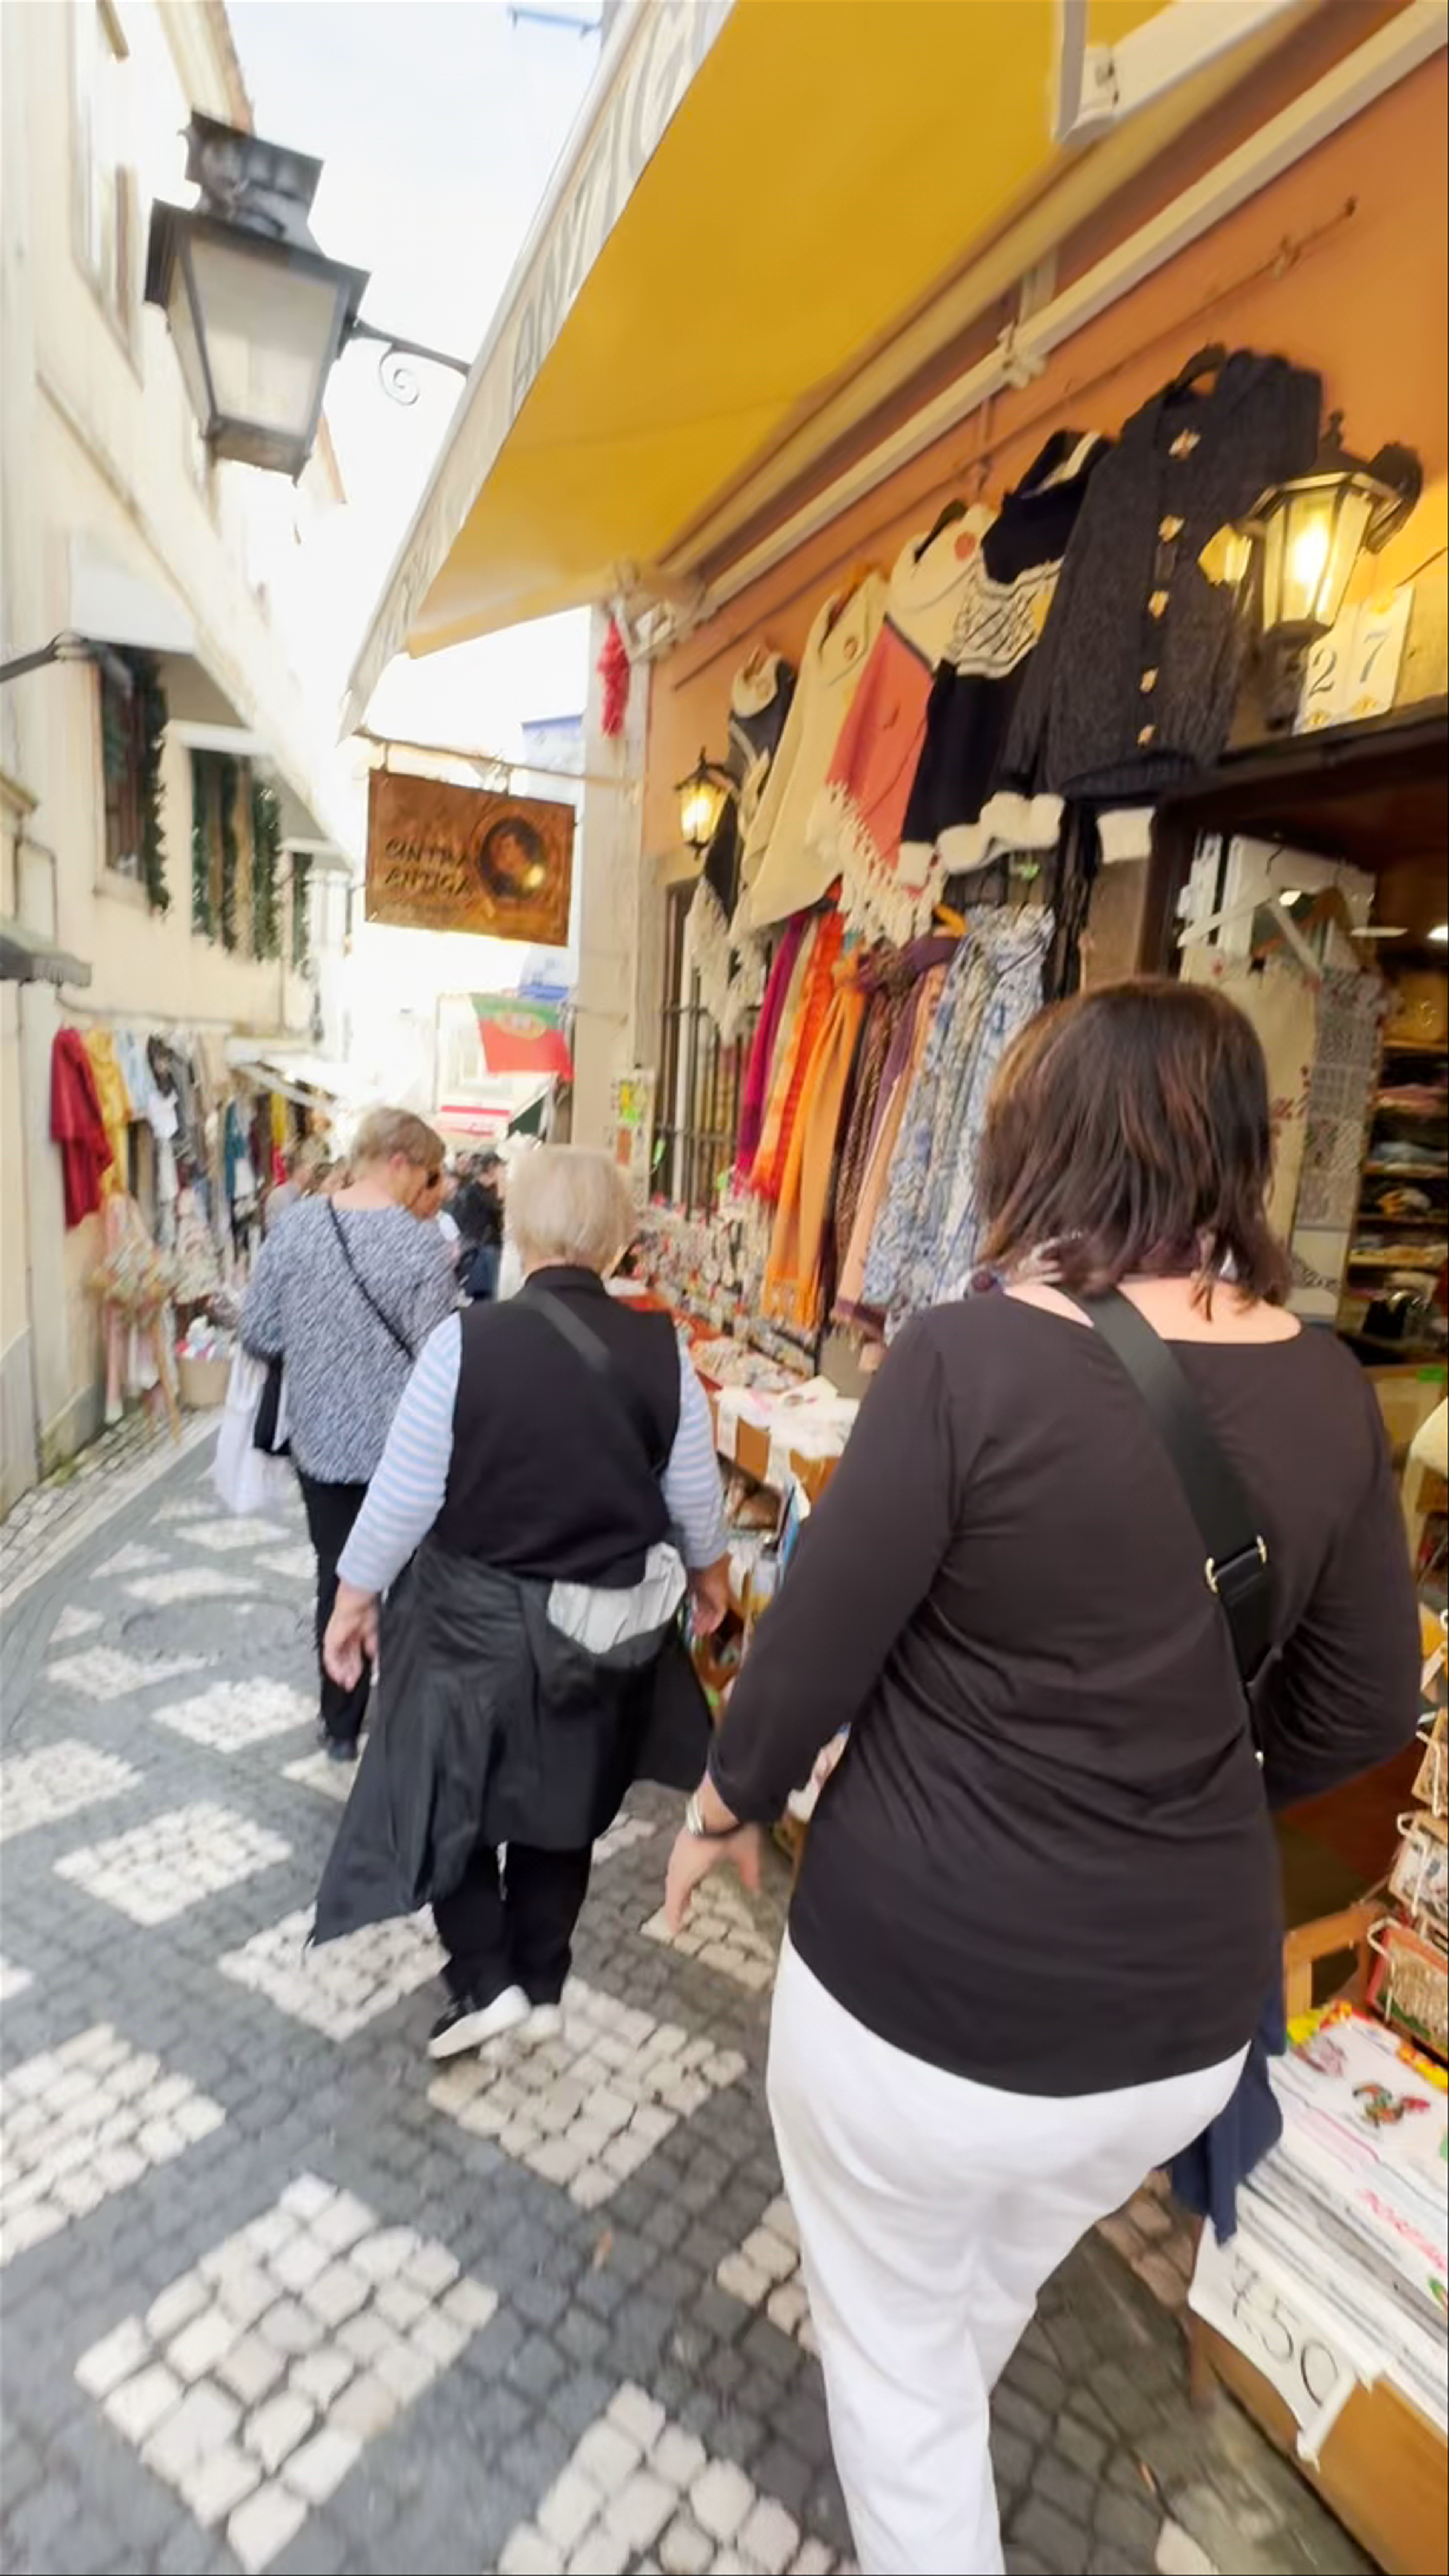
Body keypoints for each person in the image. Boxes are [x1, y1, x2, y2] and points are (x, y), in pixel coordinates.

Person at [663, 979, 1421, 2576]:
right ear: (1231, 1153)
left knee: (891, 2366)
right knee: (980, 2274)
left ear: (1041, 1152)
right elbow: (1359, 1718)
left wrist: (724, 1806)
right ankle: (944, 2384)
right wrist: (1164, 1778)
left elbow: (809, 1660)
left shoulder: (968, 1359)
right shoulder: (1332, 1391)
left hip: (914, 2001)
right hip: (1163, 2036)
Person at [313, 1146, 730, 2053]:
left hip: (470, 1628)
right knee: (562, 1805)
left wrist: (351, 1602)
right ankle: (537, 1980)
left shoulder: (467, 1342)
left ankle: (485, 1973)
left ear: (524, 1233)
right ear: (619, 1245)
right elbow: (694, 1498)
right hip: (597, 1634)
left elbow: (403, 1495)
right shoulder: (664, 1352)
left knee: (441, 1792)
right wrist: (710, 1584)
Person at [241, 1106, 457, 1761]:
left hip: (322, 1446)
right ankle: (404, 1727)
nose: (433, 1188)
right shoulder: (422, 1245)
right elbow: (440, 1355)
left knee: (337, 1575)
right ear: (397, 1162)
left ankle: (340, 1723)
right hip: (406, 1451)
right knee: (409, 1581)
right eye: (426, 1172)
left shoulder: (297, 1226)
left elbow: (259, 1332)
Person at [454, 1150, 506, 1300]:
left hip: (483, 1247)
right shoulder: (476, 1192)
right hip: (483, 1249)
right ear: (492, 1169)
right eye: (500, 1170)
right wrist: (502, 1185)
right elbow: (498, 1208)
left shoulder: (476, 1191)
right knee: (491, 1294)